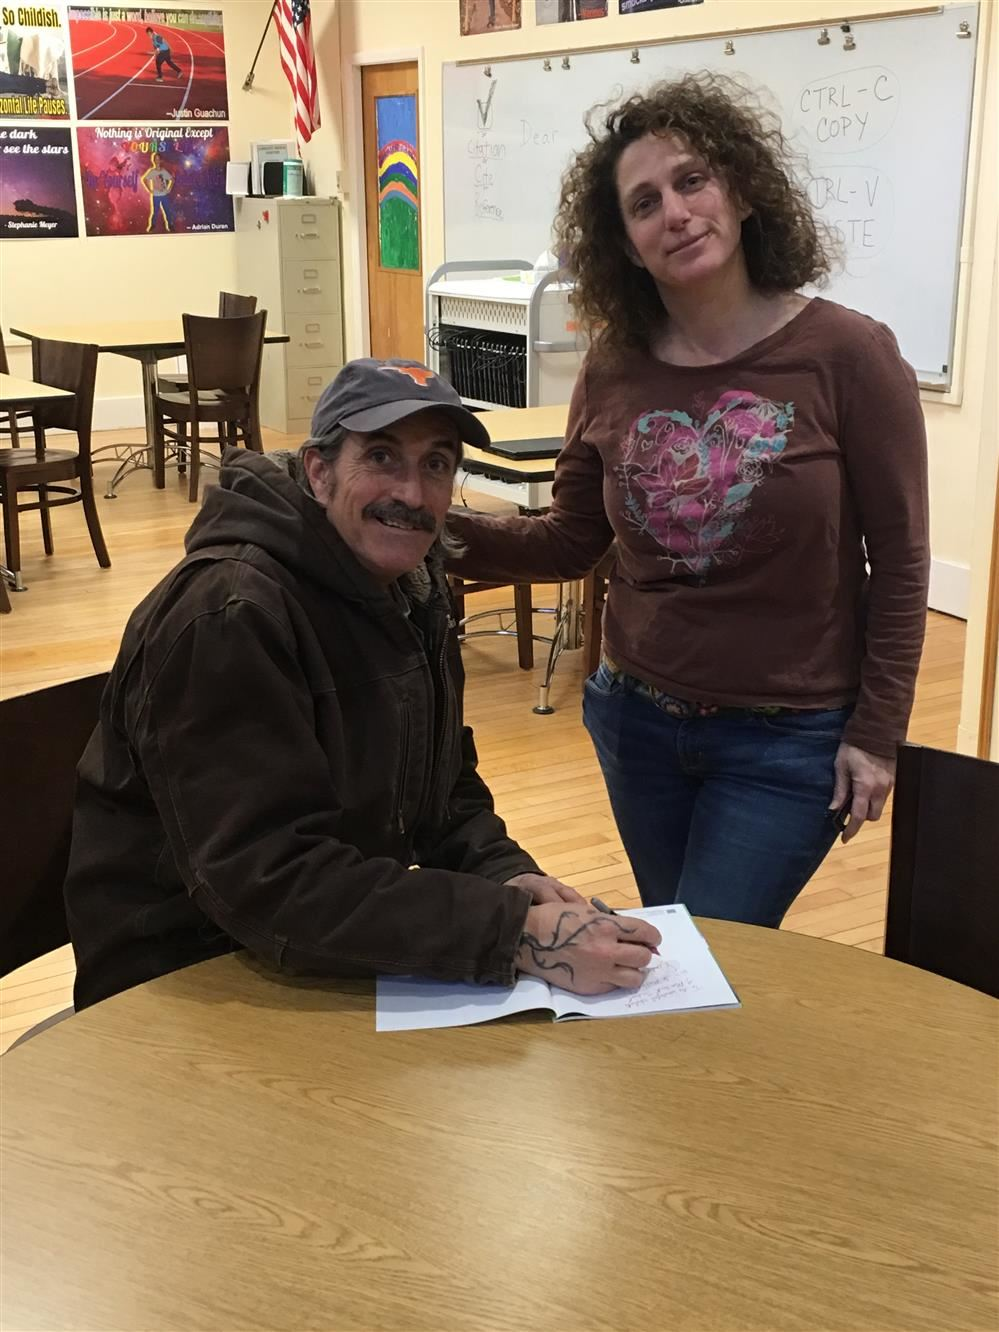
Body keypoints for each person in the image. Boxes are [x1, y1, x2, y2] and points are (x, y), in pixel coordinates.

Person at [446, 74, 930, 928]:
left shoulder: (847, 354)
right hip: (636, 721)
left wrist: (876, 730)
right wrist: (426, 530)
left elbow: (899, 563)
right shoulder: (611, 366)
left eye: (691, 181)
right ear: (626, 246)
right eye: (643, 203)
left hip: (789, 737)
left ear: (740, 193)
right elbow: (569, 542)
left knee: (710, 946)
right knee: (679, 960)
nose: (673, 211)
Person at [64, 359, 660, 1010]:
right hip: (181, 973)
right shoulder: (233, 615)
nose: (411, 492)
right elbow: (267, 880)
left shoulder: (411, 585)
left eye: (436, 463)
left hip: (303, 944)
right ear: (318, 471)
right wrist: (512, 932)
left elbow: (442, 788)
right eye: (381, 456)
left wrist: (505, 874)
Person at [141, 151, 173, 233]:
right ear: (153, 161)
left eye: (158, 159)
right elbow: (144, 180)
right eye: (156, 159)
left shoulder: (163, 171)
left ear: (160, 160)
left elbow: (172, 180)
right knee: (155, 212)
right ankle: (152, 225)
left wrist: (169, 188)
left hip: (164, 195)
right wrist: (149, 190)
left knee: (167, 211)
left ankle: (170, 225)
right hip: (156, 196)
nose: (157, 161)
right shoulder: (152, 172)